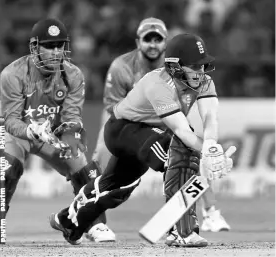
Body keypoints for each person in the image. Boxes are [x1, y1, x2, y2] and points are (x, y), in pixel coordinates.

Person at [49, 33, 235, 247]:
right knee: (181, 151)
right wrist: (206, 154)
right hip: (123, 130)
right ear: (175, 66)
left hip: (148, 134)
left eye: (203, 66)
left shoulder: (205, 82)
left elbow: (210, 118)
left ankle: (68, 221)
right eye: (194, 66)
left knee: (117, 189)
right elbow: (182, 131)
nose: (200, 72)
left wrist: (212, 148)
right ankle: (180, 231)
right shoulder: (158, 84)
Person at [0, 18, 115, 244]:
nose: (55, 52)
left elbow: (71, 116)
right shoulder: (13, 74)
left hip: (53, 135)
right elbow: (10, 120)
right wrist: (30, 131)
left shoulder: (73, 75)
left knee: (84, 168)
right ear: (35, 48)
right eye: (49, 46)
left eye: (59, 45)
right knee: (6, 170)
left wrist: (71, 133)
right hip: (19, 134)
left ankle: (94, 224)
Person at [93, 17, 230, 234]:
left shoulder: (186, 65)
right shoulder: (123, 67)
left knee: (193, 153)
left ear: (166, 44)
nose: (153, 44)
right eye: (148, 39)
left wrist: (210, 146)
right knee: (101, 157)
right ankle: (96, 222)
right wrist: (202, 148)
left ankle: (207, 213)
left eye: (158, 39)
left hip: (169, 121)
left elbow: (209, 118)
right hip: (128, 124)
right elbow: (113, 108)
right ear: (138, 42)